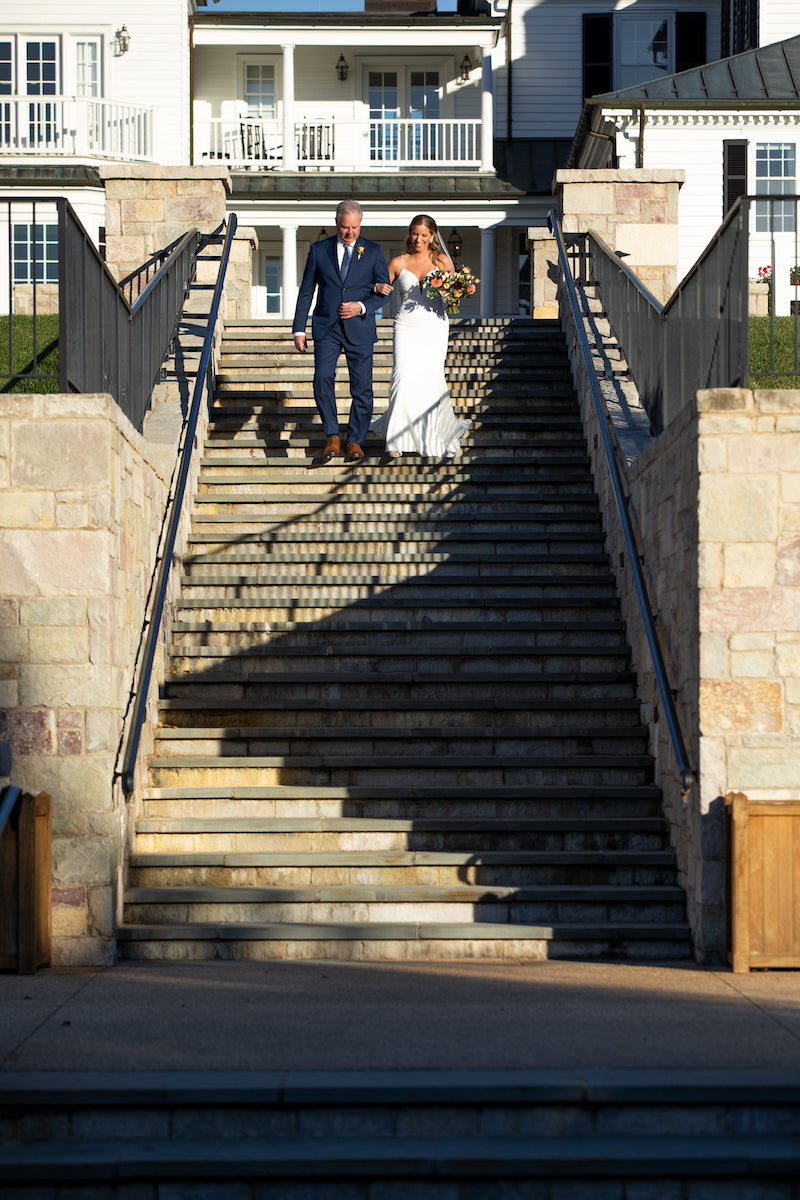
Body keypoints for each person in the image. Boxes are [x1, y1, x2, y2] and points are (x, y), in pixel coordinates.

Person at [293, 200, 390, 466]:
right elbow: (306, 291)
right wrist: (299, 329)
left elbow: (383, 292)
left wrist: (360, 306)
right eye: (345, 227)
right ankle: (332, 435)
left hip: (360, 328)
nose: (350, 233)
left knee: (362, 388)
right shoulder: (318, 249)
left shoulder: (373, 251)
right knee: (323, 377)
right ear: (337, 224)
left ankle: (356, 440)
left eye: (355, 228)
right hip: (326, 327)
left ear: (360, 224)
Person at [370, 214, 470, 461]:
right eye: (415, 233)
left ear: (432, 236)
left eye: (424, 235)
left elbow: (453, 298)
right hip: (406, 325)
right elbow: (375, 286)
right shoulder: (398, 262)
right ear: (410, 233)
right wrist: (375, 287)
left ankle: (429, 435)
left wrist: (456, 294)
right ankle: (396, 439)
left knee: (430, 377)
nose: (418, 239)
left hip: (434, 325)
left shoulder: (443, 261)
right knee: (402, 375)